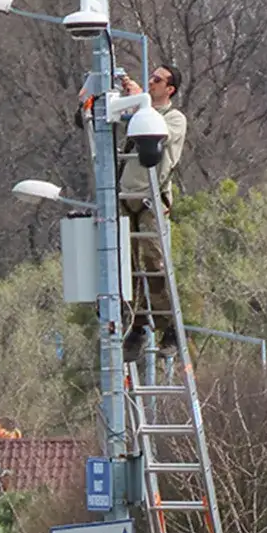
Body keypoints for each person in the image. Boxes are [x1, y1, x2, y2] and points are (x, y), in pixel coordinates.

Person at [115, 64, 187, 361]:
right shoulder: (139, 111)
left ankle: (169, 327)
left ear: (169, 89)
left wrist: (141, 102)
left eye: (158, 80)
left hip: (150, 200)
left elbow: (158, 134)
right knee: (127, 269)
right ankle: (138, 324)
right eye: (151, 79)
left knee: (154, 265)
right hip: (124, 197)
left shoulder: (173, 118)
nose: (152, 83)